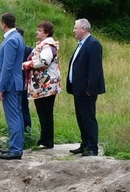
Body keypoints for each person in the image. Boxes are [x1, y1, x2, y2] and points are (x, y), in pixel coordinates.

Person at [65, 18, 105, 156]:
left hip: (86, 90)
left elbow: (95, 69)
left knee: (88, 117)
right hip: (78, 88)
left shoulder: (93, 44)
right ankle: (85, 144)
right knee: (81, 117)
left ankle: (93, 147)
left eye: (75, 28)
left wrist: (90, 89)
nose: (73, 30)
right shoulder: (81, 44)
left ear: (83, 29)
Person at [0, 12, 26, 159]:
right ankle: (16, 145)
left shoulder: (11, 40)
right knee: (17, 115)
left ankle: (16, 149)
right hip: (15, 83)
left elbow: (8, 66)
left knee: (13, 117)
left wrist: (0, 88)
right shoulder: (18, 37)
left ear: (3, 24)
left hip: (10, 85)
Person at [22, 21, 61, 149]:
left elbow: (44, 62)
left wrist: (26, 64)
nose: (36, 32)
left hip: (46, 85)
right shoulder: (42, 45)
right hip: (41, 86)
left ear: (47, 33)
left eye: (39, 30)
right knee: (42, 112)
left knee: (45, 112)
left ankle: (47, 140)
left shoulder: (48, 46)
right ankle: (44, 139)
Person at [17, 27, 33, 134]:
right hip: (14, 82)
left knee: (24, 106)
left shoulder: (28, 50)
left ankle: (27, 130)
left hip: (24, 82)